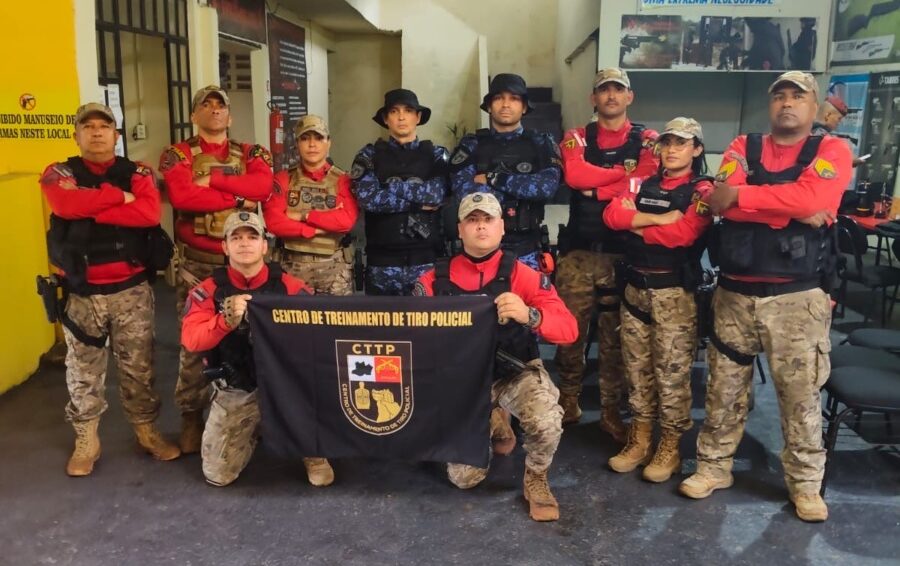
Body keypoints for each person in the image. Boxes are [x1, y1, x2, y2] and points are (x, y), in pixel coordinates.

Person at [680, 71, 851, 522]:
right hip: (734, 294)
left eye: (798, 96)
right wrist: (789, 208)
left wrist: (746, 196)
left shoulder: (832, 150)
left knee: (799, 396)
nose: (787, 103)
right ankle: (714, 467)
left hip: (796, 298)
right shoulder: (743, 145)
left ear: (814, 106)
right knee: (722, 391)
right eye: (780, 96)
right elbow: (720, 202)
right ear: (770, 104)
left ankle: (805, 485)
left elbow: (812, 197)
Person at [414, 192, 577, 522]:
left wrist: (530, 315)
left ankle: (536, 477)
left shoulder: (524, 275)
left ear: (501, 227)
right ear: (460, 229)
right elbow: (412, 336)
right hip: (461, 380)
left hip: (513, 372)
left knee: (546, 420)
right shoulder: (433, 281)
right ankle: (492, 418)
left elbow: (569, 329)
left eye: (488, 219)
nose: (481, 227)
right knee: (464, 479)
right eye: (472, 220)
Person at [40, 102, 180, 476]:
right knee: (83, 371)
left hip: (130, 291)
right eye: (88, 127)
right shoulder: (58, 173)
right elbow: (64, 204)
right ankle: (87, 440)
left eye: (104, 126)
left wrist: (89, 204)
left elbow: (148, 214)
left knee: (139, 367)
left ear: (116, 135)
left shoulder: (138, 172)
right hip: (81, 292)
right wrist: (120, 197)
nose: (97, 132)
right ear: (77, 135)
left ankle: (146, 432)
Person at [180, 211, 334, 487]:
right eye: (236, 238)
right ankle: (254, 427)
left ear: (264, 245)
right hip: (238, 385)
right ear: (225, 246)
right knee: (218, 475)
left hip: (286, 385)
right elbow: (192, 340)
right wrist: (224, 321)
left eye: (252, 237)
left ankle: (312, 451)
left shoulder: (289, 287)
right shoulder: (209, 290)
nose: (244, 243)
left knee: (313, 390)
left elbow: (319, 333)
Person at [160, 85, 274, 454]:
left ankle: (255, 413)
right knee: (196, 344)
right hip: (199, 264)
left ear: (229, 114)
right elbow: (182, 196)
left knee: (251, 337)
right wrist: (240, 197)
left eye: (219, 105)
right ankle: (191, 416)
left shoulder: (252, 152)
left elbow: (262, 187)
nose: (213, 110)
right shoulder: (177, 154)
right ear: (194, 115)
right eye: (205, 105)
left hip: (245, 263)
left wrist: (213, 182)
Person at [602, 117, 713, 482]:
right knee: (636, 370)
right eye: (667, 142)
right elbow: (611, 215)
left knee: (671, 373)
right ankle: (640, 438)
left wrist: (635, 225)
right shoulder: (642, 181)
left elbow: (683, 235)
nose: (671, 150)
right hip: (634, 290)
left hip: (673, 293)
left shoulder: (702, 189)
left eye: (681, 143)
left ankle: (670, 445)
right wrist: (659, 219)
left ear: (696, 149)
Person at [554, 68, 659, 442]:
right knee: (569, 333)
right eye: (604, 90)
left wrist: (598, 191)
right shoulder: (577, 137)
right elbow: (575, 176)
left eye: (618, 89)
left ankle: (611, 411)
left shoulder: (647, 140)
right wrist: (620, 178)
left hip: (622, 256)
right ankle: (568, 401)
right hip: (578, 255)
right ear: (593, 98)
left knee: (616, 340)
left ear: (630, 97)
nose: (611, 96)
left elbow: (646, 178)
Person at [449, 73, 561, 271]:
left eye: (514, 98)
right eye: (499, 98)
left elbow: (546, 188)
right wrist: (521, 189)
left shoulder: (541, 143)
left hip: (526, 252)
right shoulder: (472, 144)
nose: (506, 104)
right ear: (489, 106)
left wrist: (493, 179)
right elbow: (463, 192)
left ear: (524, 107)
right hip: (479, 254)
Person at [351, 89, 449, 296]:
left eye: (408, 111)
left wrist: (387, 187)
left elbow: (435, 195)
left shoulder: (436, 154)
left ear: (418, 117)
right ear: (386, 118)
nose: (402, 117)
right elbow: (368, 199)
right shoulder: (369, 155)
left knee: (428, 317)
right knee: (381, 318)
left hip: (426, 262)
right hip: (382, 264)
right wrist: (414, 203)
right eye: (394, 111)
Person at [263, 115, 358, 295]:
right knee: (292, 314)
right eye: (305, 138)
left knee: (337, 314)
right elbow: (275, 223)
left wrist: (303, 216)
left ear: (328, 143)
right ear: (297, 144)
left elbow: (346, 221)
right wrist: (316, 229)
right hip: (292, 268)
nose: (312, 144)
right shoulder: (283, 179)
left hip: (335, 270)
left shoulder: (343, 180)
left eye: (319, 138)